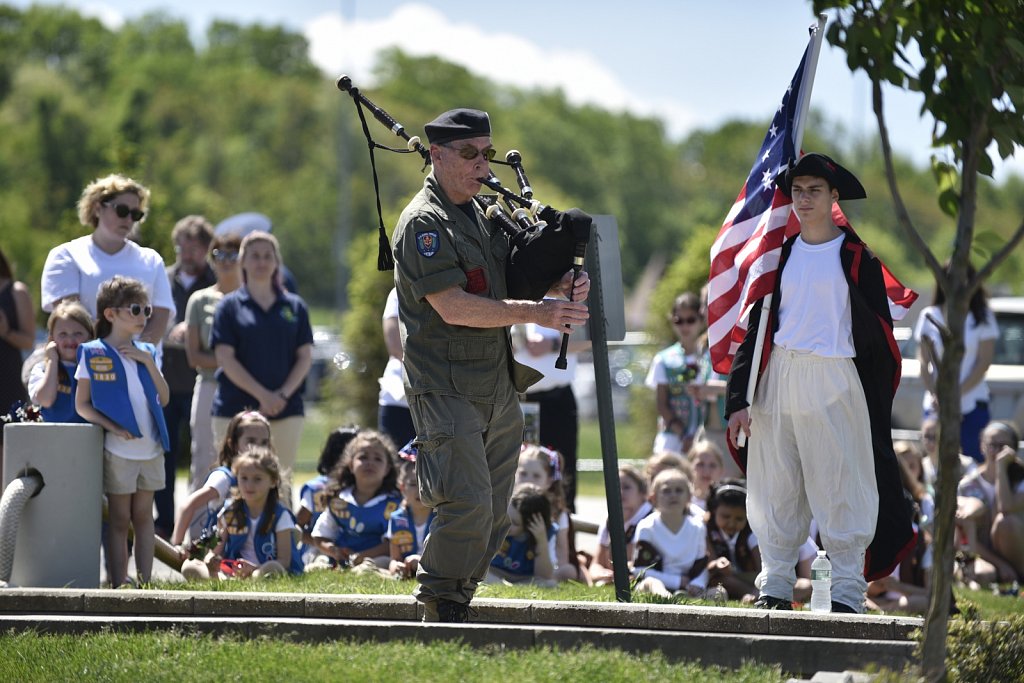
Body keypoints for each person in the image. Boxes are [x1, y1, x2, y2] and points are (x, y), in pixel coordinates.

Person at [391, 107, 590, 622]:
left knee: (495, 509)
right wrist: (538, 312)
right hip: (444, 383)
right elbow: (453, 304)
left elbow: (508, 279)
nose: (482, 164)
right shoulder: (424, 224)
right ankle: (438, 601)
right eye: (468, 154)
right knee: (468, 501)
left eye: (486, 153)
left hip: (496, 382)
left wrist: (558, 288)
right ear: (436, 155)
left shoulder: (482, 212)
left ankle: (458, 596)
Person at [726, 153, 915, 614]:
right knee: (775, 485)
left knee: (841, 486)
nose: (804, 199)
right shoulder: (779, 255)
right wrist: (738, 399)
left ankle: (847, 593)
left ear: (833, 197)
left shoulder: (856, 259)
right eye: (797, 190)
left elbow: (877, 337)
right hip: (779, 376)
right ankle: (774, 587)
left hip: (834, 375)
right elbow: (757, 329)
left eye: (814, 191)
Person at [75, 276, 170, 588]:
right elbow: (83, 405)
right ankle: (119, 583)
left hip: (151, 448)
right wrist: (114, 427)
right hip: (119, 451)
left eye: (146, 310)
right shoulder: (92, 352)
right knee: (118, 520)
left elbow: (164, 398)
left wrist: (149, 362)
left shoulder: (147, 351)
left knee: (144, 518)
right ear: (110, 314)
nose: (143, 317)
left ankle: (145, 584)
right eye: (135, 309)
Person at [210, 230, 313, 505]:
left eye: (268, 256)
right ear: (242, 261)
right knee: (232, 487)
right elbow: (225, 358)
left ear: (277, 262)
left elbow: (304, 356)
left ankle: (283, 546)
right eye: (254, 256)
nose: (261, 262)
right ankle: (228, 547)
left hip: (286, 411)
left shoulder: (294, 307)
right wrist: (262, 396)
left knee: (280, 485)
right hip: (234, 409)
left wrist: (280, 396)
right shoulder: (229, 307)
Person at [41, 174, 174, 344]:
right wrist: (105, 354)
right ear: (97, 208)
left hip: (140, 365)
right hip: (83, 363)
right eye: (122, 210)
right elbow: (72, 319)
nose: (128, 219)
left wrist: (136, 356)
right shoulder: (65, 256)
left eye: (135, 214)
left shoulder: (152, 259)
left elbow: (160, 316)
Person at [157, 215, 217, 538]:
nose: (187, 254)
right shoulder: (163, 279)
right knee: (163, 454)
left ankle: (203, 522)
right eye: (182, 246)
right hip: (165, 381)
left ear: (206, 249)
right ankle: (165, 521)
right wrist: (171, 332)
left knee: (203, 454)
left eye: (194, 248)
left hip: (201, 381)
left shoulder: (215, 280)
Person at [914, 263, 999, 462]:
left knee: (973, 460)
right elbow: (923, 360)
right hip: (936, 405)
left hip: (972, 404)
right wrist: (937, 394)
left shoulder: (983, 316)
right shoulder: (929, 315)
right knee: (936, 462)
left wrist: (955, 394)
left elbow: (983, 362)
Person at [180, 446, 302, 580]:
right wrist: (211, 560)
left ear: (273, 482)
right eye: (244, 478)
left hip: (261, 570)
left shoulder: (280, 515)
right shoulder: (229, 512)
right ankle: (219, 578)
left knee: (273, 568)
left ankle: (252, 578)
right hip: (232, 571)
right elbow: (215, 551)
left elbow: (284, 561)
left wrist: (255, 569)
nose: (249, 485)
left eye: (257, 479)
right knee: (190, 566)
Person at [184, 233, 242, 495]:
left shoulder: (254, 299)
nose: (227, 261)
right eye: (220, 255)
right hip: (210, 385)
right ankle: (197, 532)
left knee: (246, 458)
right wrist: (232, 362)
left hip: (247, 388)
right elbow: (194, 355)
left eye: (233, 255)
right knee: (204, 458)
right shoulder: (200, 300)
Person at [170, 410, 272, 553]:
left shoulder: (268, 476)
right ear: (234, 444)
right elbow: (188, 505)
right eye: (251, 441)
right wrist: (177, 546)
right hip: (220, 551)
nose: (258, 448)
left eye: (264, 443)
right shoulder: (224, 478)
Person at [513, 321, 586, 510]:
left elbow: (591, 339)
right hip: (520, 400)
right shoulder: (512, 296)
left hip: (556, 399)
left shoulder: (570, 296)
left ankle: (562, 523)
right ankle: (521, 519)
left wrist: (552, 345)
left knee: (562, 464)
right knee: (521, 461)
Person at [311, 430, 402, 570]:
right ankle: (324, 566)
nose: (370, 463)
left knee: (381, 563)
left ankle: (365, 569)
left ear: (387, 469)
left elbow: (393, 543)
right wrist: (334, 551)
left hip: (375, 557)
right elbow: (320, 536)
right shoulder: (339, 500)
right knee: (320, 559)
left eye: (378, 459)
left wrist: (362, 556)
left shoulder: (394, 504)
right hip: (342, 557)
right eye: (363, 457)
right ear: (351, 465)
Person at [956, 421, 1021, 584]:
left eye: (1003, 445)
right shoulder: (967, 484)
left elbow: (1004, 507)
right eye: (992, 444)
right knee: (983, 575)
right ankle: (1002, 573)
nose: (996, 450)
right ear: (982, 447)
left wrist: (1001, 468)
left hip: (1017, 551)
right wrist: (1000, 564)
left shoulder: (1020, 479)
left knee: (1005, 522)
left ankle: (1018, 575)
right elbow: (965, 533)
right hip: (984, 554)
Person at [632, 468, 711, 599]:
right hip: (654, 583)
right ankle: (667, 598)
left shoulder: (698, 527)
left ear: (689, 497)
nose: (673, 495)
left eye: (679, 491)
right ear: (653, 498)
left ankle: (684, 597)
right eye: (666, 491)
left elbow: (701, 566)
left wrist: (697, 584)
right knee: (653, 584)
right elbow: (639, 570)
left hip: (687, 586)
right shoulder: (646, 527)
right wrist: (677, 582)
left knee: (719, 593)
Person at [514, 444, 587, 583]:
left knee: (569, 570)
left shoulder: (557, 514)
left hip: (543, 565)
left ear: (549, 481)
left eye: (536, 476)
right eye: (523, 474)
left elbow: (561, 555)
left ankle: (542, 578)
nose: (529, 480)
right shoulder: (508, 505)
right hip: (510, 561)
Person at [645, 293, 707, 455]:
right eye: (679, 320)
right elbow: (662, 403)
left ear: (701, 320)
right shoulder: (664, 359)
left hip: (706, 438)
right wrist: (683, 434)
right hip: (673, 438)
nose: (685, 326)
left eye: (690, 320)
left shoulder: (711, 358)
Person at [297, 426, 360, 565]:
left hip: (356, 548)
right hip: (319, 549)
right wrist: (321, 542)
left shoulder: (362, 486)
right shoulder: (317, 489)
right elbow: (297, 526)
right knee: (321, 561)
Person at [28, 302, 95, 423]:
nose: (70, 339)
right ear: (52, 338)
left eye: (78, 333)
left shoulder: (97, 367)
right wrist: (52, 361)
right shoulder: (42, 369)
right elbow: (46, 400)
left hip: (88, 435)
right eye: (62, 334)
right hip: (53, 435)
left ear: (90, 336)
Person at [590, 465, 652, 586]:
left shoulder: (650, 520)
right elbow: (596, 564)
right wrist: (601, 574)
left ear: (643, 493)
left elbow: (635, 565)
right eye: (615, 486)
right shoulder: (609, 519)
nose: (620, 492)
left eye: (627, 487)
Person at [488, 483, 557, 585]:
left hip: (525, 578)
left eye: (515, 523)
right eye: (506, 517)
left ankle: (509, 587)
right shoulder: (497, 523)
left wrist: (541, 540)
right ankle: (504, 586)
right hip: (495, 573)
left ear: (530, 525)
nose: (507, 525)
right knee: (481, 576)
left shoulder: (544, 533)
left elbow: (545, 576)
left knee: (550, 584)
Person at [705, 478, 761, 602]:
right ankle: (754, 596)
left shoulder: (752, 531)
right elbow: (709, 564)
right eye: (725, 516)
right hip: (725, 579)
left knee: (803, 585)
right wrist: (717, 564)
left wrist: (758, 587)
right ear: (714, 511)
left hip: (752, 579)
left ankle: (756, 595)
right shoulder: (706, 529)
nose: (731, 523)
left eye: (739, 519)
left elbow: (762, 569)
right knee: (722, 582)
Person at [387, 455, 435, 579]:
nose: (420, 489)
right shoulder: (396, 519)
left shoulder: (441, 517)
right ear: (402, 488)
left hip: (435, 570)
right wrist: (396, 566)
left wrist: (420, 562)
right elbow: (394, 558)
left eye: (426, 483)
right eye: (413, 484)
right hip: (408, 569)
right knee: (379, 563)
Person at [378, 287, 415, 448]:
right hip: (399, 397)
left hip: (440, 400)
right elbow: (395, 346)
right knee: (396, 465)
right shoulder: (398, 292)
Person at [0, 246, 34, 417]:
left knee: (7, 438)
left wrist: (6, 333)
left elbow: (29, 341)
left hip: (8, 379)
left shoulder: (16, 292)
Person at [688, 440, 725, 510]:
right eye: (700, 464)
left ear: (721, 470)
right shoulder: (681, 501)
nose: (706, 471)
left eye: (712, 465)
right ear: (689, 467)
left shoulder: (725, 503)